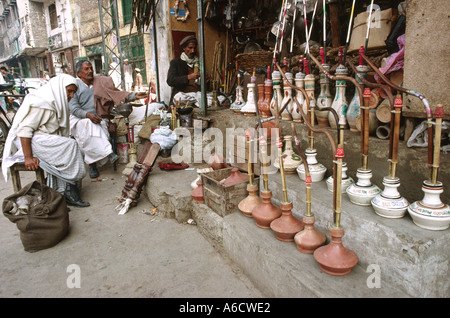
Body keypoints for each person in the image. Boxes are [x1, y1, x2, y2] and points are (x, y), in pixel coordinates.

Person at [1, 74, 90, 207]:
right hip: (32, 141)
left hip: (45, 139)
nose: (71, 95)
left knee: (77, 149)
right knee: (71, 146)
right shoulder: (42, 102)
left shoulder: (57, 101)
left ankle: (62, 190)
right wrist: (28, 157)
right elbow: (25, 130)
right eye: (69, 91)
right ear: (60, 88)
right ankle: (67, 191)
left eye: (73, 92)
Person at [69, 60, 147, 179]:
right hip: (80, 118)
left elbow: (115, 94)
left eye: (91, 68)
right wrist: (88, 115)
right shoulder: (75, 87)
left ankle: (102, 155)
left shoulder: (100, 82)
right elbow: (74, 108)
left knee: (95, 125)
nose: (90, 71)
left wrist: (134, 96)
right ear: (79, 73)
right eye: (86, 69)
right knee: (87, 125)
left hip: (100, 117)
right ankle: (97, 161)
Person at [166, 35, 201, 106]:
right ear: (184, 48)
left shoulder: (198, 62)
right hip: (181, 100)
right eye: (190, 48)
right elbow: (170, 80)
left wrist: (205, 81)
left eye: (194, 48)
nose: (193, 51)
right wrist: (188, 77)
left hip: (196, 99)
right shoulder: (176, 62)